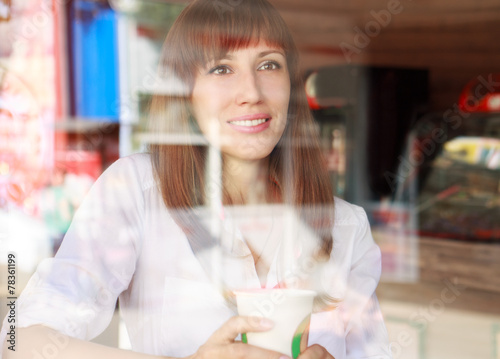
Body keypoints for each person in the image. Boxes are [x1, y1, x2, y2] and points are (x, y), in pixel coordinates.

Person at [0, 0, 391, 358]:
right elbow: (18, 341)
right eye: (221, 68)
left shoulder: (346, 226)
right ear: (184, 92)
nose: (251, 92)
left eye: (268, 64)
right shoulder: (137, 190)